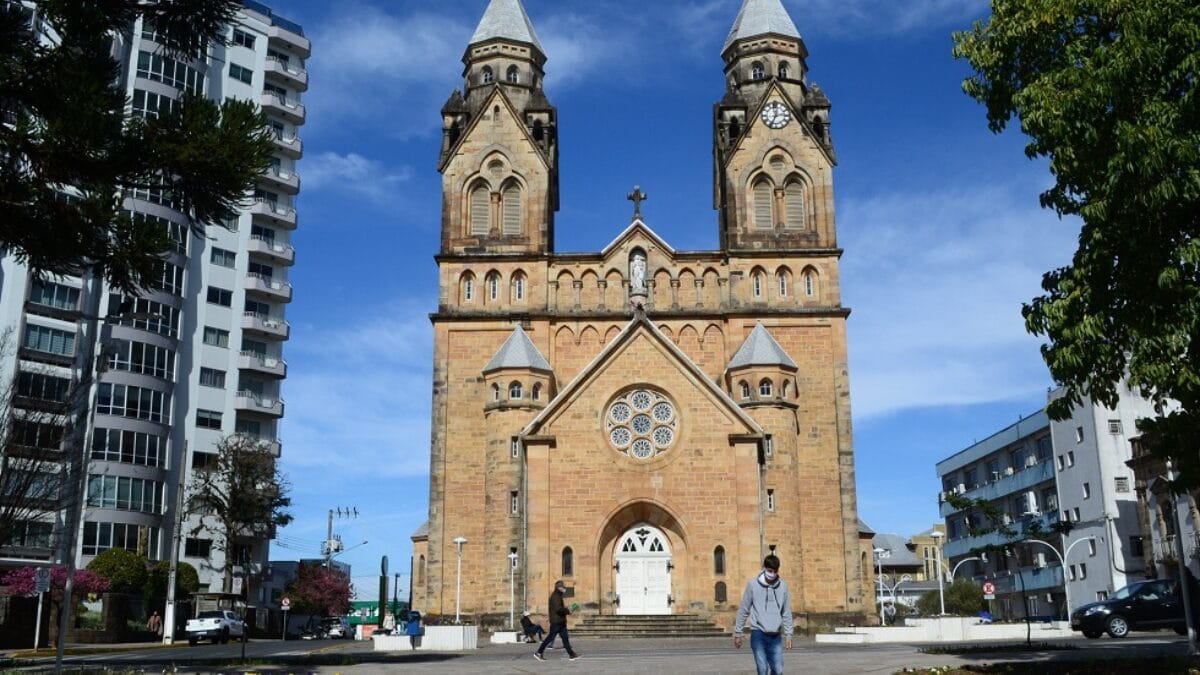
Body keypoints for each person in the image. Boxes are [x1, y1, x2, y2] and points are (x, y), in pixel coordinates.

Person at [733, 554, 793, 675]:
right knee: (762, 669)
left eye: (775, 571)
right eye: (770, 570)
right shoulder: (752, 585)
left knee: (778, 669)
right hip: (758, 633)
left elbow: (786, 612)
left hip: (775, 635)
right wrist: (738, 633)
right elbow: (744, 609)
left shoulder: (783, 586)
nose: (772, 573)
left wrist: (789, 635)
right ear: (764, 568)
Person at [533, 580, 579, 661]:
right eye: (563, 587)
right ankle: (538, 653)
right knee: (550, 638)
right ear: (559, 588)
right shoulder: (555, 596)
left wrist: (567, 610)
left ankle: (572, 654)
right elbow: (558, 609)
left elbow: (559, 608)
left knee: (565, 638)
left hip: (561, 621)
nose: (564, 589)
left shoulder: (558, 596)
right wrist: (568, 611)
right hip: (556, 622)